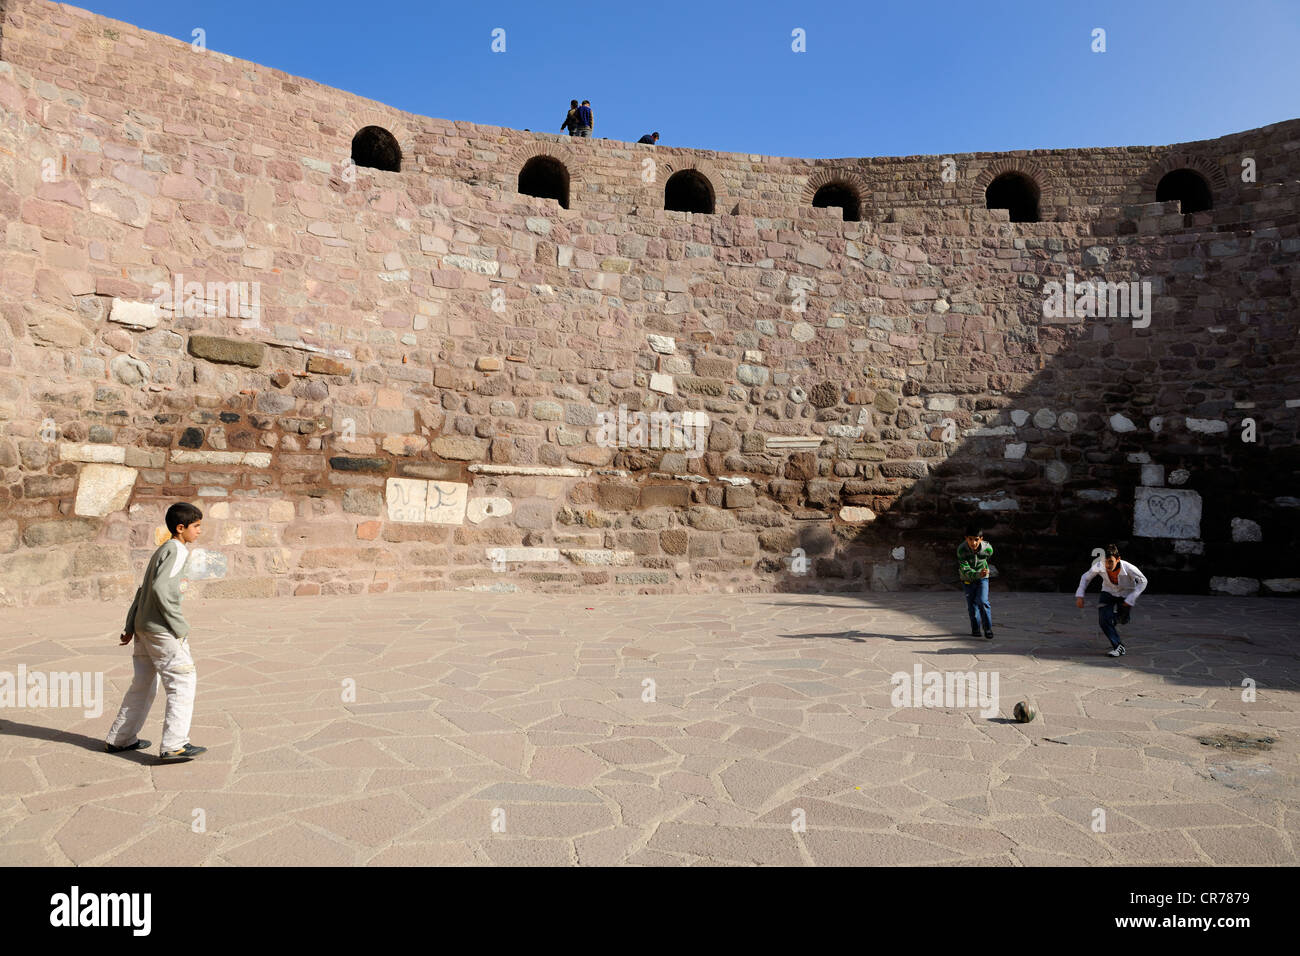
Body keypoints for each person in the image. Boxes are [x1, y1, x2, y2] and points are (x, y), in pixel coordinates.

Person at [104, 502, 208, 762]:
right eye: (196, 526)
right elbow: (161, 590)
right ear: (180, 528)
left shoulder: (161, 550)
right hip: (162, 630)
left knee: (143, 685)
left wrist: (130, 626)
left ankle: (121, 738)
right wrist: (179, 626)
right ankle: (174, 744)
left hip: (144, 627)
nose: (199, 531)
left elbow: (143, 591)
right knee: (182, 681)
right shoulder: (177, 550)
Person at [1075, 543, 1147, 657]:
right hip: (1108, 593)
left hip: (1126, 595)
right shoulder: (1100, 565)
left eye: (1111, 562)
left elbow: (1143, 581)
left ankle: (1116, 617)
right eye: (1105, 562)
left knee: (1123, 620)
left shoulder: (1129, 568)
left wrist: (1131, 598)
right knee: (1103, 620)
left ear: (1118, 559)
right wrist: (1080, 595)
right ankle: (1118, 646)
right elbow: (1085, 577)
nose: (1108, 565)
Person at [957, 523, 994, 639]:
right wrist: (977, 573)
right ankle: (975, 628)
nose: (973, 543)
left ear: (981, 539)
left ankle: (988, 628)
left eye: (976, 539)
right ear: (966, 538)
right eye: (970, 539)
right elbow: (965, 569)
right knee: (972, 605)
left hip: (983, 578)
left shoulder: (988, 549)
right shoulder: (961, 550)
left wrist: (983, 572)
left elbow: (987, 558)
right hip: (967, 579)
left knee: (983, 601)